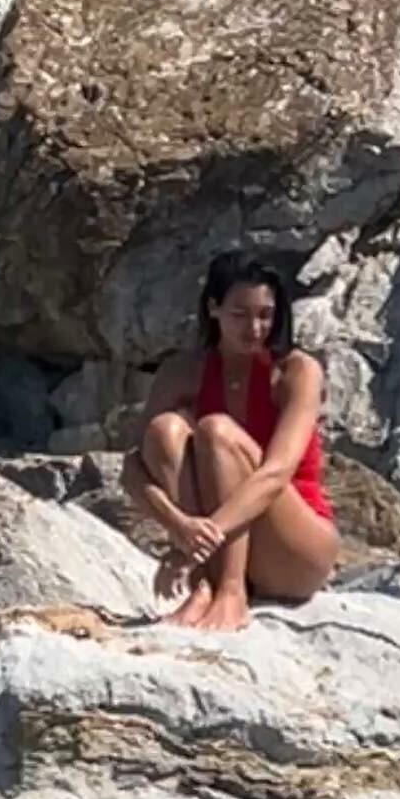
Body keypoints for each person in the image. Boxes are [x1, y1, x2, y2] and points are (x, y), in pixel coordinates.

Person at [120, 251, 340, 631]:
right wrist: (180, 528)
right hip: (219, 542)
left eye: (265, 315)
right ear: (213, 309)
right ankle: (204, 586)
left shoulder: (296, 371)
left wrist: (201, 540)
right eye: (240, 315)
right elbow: (132, 469)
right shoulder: (182, 373)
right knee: (164, 431)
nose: (254, 328)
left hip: (293, 548)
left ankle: (232, 591)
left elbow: (275, 474)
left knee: (216, 431)